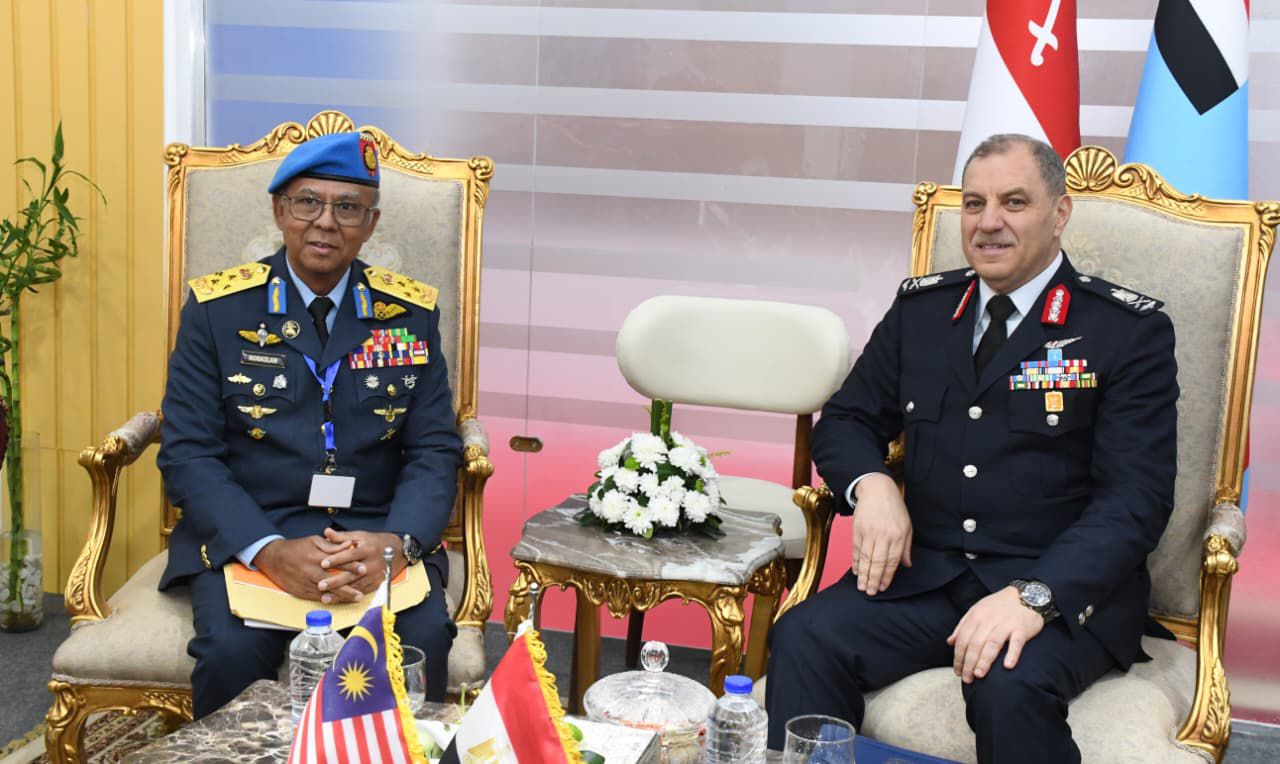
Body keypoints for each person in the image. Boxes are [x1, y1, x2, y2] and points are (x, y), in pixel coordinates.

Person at [765, 134, 1179, 763]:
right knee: (804, 635)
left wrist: (1036, 595)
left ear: (1059, 214)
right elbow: (846, 420)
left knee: (1006, 684)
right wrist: (872, 486)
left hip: (1061, 592)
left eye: (1014, 202)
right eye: (975, 203)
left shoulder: (1124, 331)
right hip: (928, 579)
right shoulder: (923, 311)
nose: (988, 222)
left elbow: (1135, 501)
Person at [157, 131, 462, 718]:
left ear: (370, 224)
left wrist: (397, 545)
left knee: (418, 645)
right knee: (229, 654)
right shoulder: (217, 310)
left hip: (374, 534)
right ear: (280, 211)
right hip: (255, 531)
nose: (325, 222)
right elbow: (188, 452)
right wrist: (268, 550)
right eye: (308, 203)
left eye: (347, 207)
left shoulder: (410, 313)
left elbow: (434, 449)